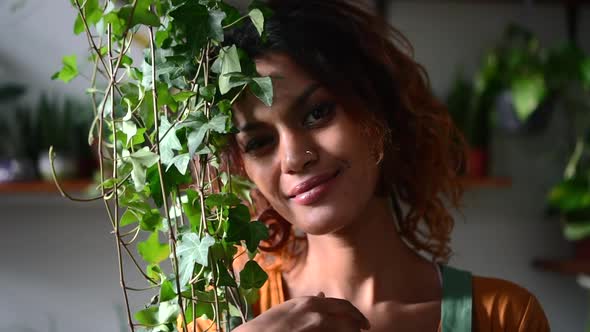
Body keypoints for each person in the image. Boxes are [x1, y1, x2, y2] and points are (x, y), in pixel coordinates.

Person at [182, 0, 550, 331]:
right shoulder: (219, 316)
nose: (294, 158)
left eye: (317, 113)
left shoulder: (505, 317)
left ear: (377, 109)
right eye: (260, 142)